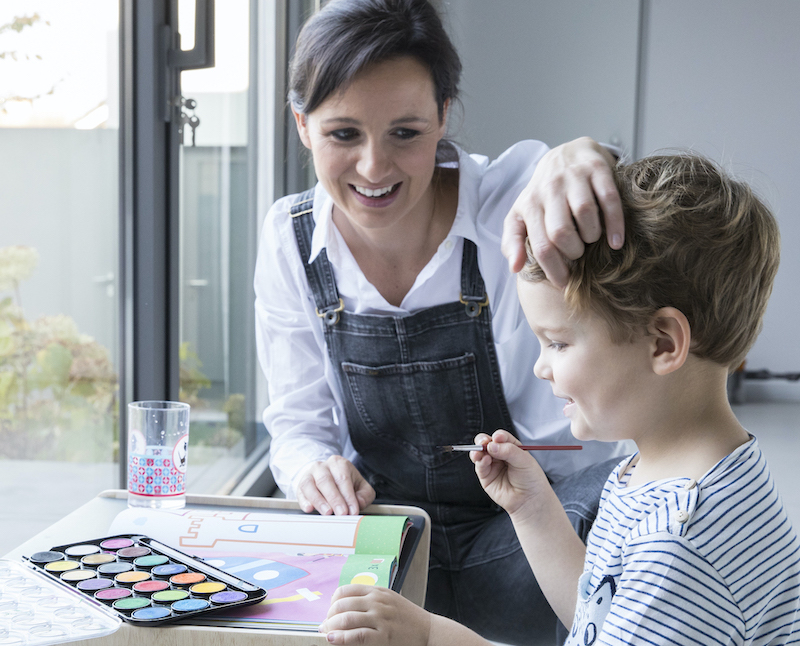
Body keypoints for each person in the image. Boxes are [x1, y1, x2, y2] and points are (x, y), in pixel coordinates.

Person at [255, 0, 627, 641]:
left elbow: (627, 201)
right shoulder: (289, 238)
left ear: (444, 116)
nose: (374, 168)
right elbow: (296, 424)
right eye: (344, 134)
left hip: (535, 526)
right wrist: (312, 464)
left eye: (406, 132)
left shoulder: (515, 198)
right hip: (389, 532)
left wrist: (592, 157)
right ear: (301, 126)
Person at [319, 152, 800, 646]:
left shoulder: (681, 543)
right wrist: (534, 511)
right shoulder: (670, 473)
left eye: (559, 343)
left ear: (662, 343)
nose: (541, 366)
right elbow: (600, 616)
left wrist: (428, 636)